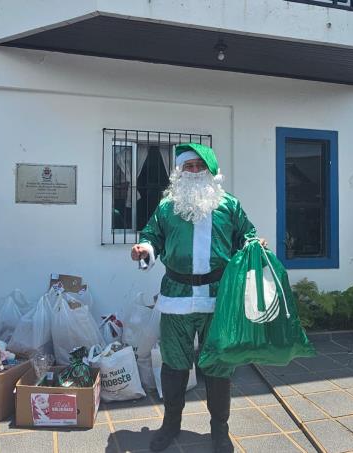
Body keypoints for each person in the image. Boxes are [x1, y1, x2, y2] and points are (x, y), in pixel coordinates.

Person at [131, 143, 266, 453]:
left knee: (218, 364)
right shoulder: (168, 207)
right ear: (180, 172)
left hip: (217, 298)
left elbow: (246, 235)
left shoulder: (229, 205)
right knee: (174, 364)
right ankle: (171, 424)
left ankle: (220, 429)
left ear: (210, 170)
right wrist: (144, 249)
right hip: (176, 296)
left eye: (198, 166)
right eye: (187, 167)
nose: (193, 172)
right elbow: (152, 236)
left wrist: (255, 244)